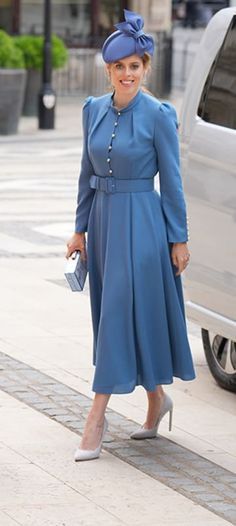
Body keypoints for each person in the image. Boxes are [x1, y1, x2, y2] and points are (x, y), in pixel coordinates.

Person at [66, 9, 196, 462]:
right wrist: (79, 229)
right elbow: (86, 173)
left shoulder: (160, 115)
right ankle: (157, 399)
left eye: (134, 66)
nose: (127, 74)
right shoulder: (91, 111)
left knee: (120, 308)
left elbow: (173, 183)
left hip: (143, 224)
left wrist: (178, 238)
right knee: (117, 314)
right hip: (103, 223)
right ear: (108, 70)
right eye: (119, 67)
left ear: (145, 67)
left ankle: (96, 416)